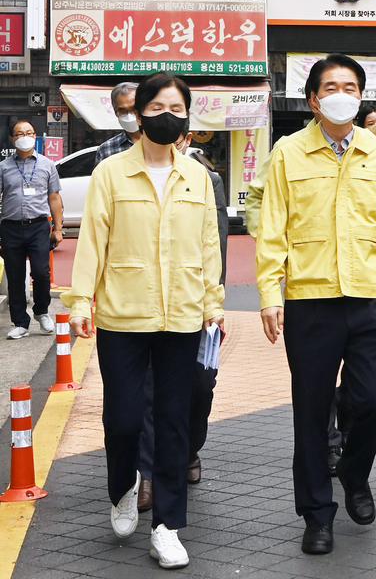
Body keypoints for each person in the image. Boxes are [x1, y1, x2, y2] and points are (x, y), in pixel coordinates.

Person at [255, 53, 376, 556]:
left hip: (370, 297)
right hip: (309, 299)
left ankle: (354, 472)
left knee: (375, 400)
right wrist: (270, 293)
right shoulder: (287, 153)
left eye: (350, 86)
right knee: (309, 411)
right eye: (331, 86)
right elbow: (272, 229)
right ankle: (316, 513)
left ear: (361, 96)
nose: (341, 94)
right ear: (312, 99)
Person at [63, 72, 224, 570]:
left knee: (174, 425)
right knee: (124, 420)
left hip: (181, 316)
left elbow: (208, 246)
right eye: (155, 108)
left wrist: (213, 306)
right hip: (122, 315)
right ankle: (123, 487)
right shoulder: (111, 173)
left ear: (186, 115)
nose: (165, 116)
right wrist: (80, 302)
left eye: (175, 107)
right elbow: (92, 242)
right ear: (139, 115)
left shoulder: (197, 175)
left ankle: (167, 527)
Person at [136, 130, 229, 512]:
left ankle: (190, 448)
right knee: (147, 392)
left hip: (193, 305)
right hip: (143, 306)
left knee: (200, 385)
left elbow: (216, 245)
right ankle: (147, 475)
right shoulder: (128, 173)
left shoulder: (208, 179)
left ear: (187, 137)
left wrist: (214, 304)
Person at [1, 120, 63, 340]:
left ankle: (41, 312)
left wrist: (58, 228)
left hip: (38, 225)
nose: (24, 136)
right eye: (19, 133)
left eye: (29, 132)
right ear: (12, 139)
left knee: (40, 272)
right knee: (15, 275)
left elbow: (54, 197)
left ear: (35, 135)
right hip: (10, 227)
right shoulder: (4, 167)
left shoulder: (47, 165)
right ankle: (20, 322)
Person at [94, 81, 140, 167]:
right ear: (115, 112)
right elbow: (100, 179)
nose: (129, 116)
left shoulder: (160, 143)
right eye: (123, 111)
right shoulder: (106, 149)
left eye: (134, 109)